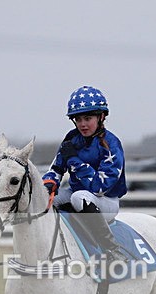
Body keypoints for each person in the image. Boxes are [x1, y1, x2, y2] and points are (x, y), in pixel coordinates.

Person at [43, 85, 127, 261]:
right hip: (79, 195)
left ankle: (112, 249)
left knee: (79, 197)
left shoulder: (111, 144)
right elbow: (56, 168)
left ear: (101, 117)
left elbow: (99, 187)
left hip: (105, 201)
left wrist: (75, 161)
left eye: (87, 118)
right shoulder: (71, 138)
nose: (82, 124)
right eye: (78, 119)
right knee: (44, 198)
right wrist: (49, 184)